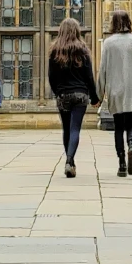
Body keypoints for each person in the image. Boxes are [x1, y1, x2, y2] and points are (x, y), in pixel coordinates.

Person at [47, 16, 99, 177]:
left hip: (63, 95)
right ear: (77, 31)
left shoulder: (55, 51)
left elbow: (51, 77)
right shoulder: (83, 50)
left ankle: (70, 161)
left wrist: (57, 93)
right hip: (80, 95)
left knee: (66, 129)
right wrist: (94, 97)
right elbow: (89, 76)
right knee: (75, 128)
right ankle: (70, 161)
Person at [98, 9, 132, 177]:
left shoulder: (108, 43)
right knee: (131, 124)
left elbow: (102, 70)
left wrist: (99, 92)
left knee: (118, 127)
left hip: (115, 91)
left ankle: (122, 164)